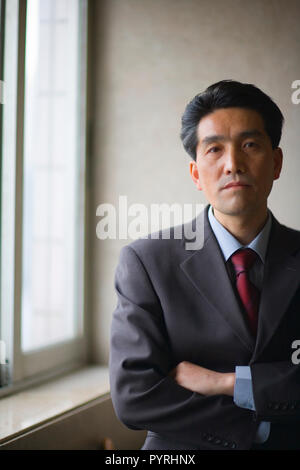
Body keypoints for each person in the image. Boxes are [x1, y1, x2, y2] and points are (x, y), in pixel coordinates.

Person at [109, 80, 300, 450]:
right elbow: (133, 396)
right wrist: (258, 420)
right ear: (196, 173)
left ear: (276, 163)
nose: (233, 164)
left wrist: (226, 383)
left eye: (249, 145)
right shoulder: (146, 262)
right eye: (215, 149)